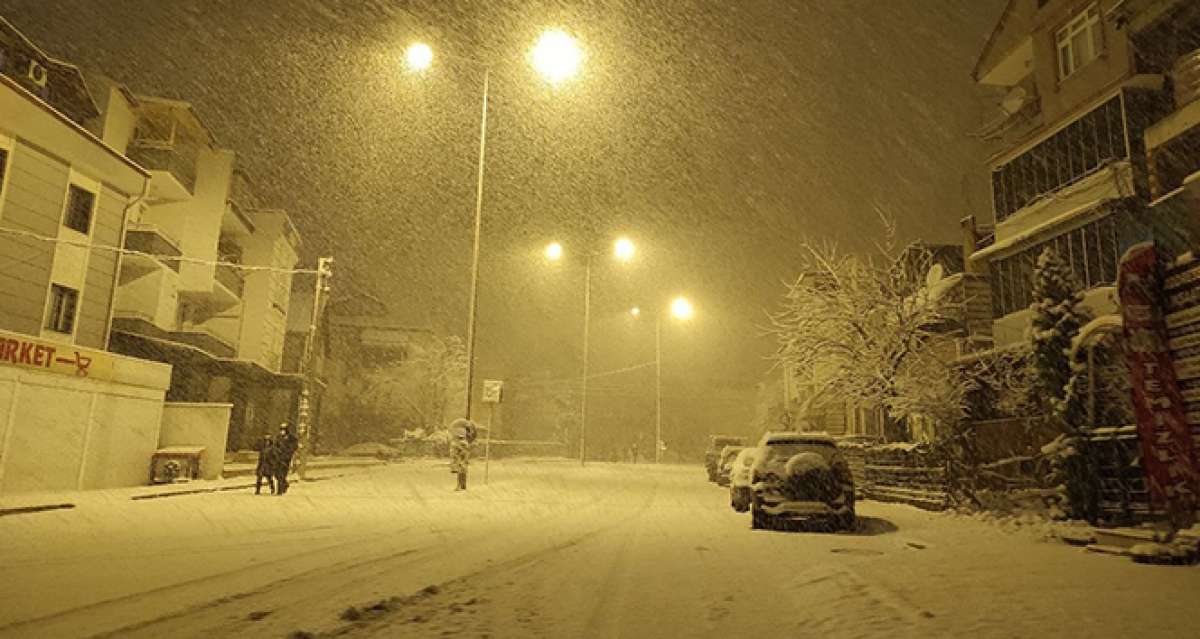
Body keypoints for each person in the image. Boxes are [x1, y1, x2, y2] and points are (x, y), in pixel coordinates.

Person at [448, 418, 477, 491]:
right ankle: (463, 485)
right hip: (463, 449)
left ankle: (460, 485)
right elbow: (472, 436)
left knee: (460, 467)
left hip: (459, 449)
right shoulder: (467, 429)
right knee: (463, 467)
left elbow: (451, 440)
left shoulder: (455, 431)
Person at [273, 424, 299, 495]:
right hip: (278, 458)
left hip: (286, 459)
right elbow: (275, 446)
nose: (282, 431)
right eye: (281, 430)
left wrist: (287, 453)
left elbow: (294, 447)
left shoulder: (292, 438)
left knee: (282, 474)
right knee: (276, 474)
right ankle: (285, 484)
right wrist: (276, 452)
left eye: (284, 430)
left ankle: (279, 490)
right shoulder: (278, 437)